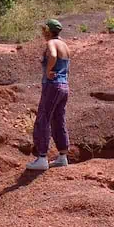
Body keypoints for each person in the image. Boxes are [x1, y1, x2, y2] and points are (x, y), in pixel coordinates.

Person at [26, 19, 71, 171]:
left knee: (43, 118)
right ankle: (62, 156)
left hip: (52, 85)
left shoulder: (51, 43)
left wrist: (48, 71)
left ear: (48, 31)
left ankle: (42, 157)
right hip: (64, 86)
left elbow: (52, 55)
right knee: (58, 118)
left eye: (44, 30)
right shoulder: (64, 45)